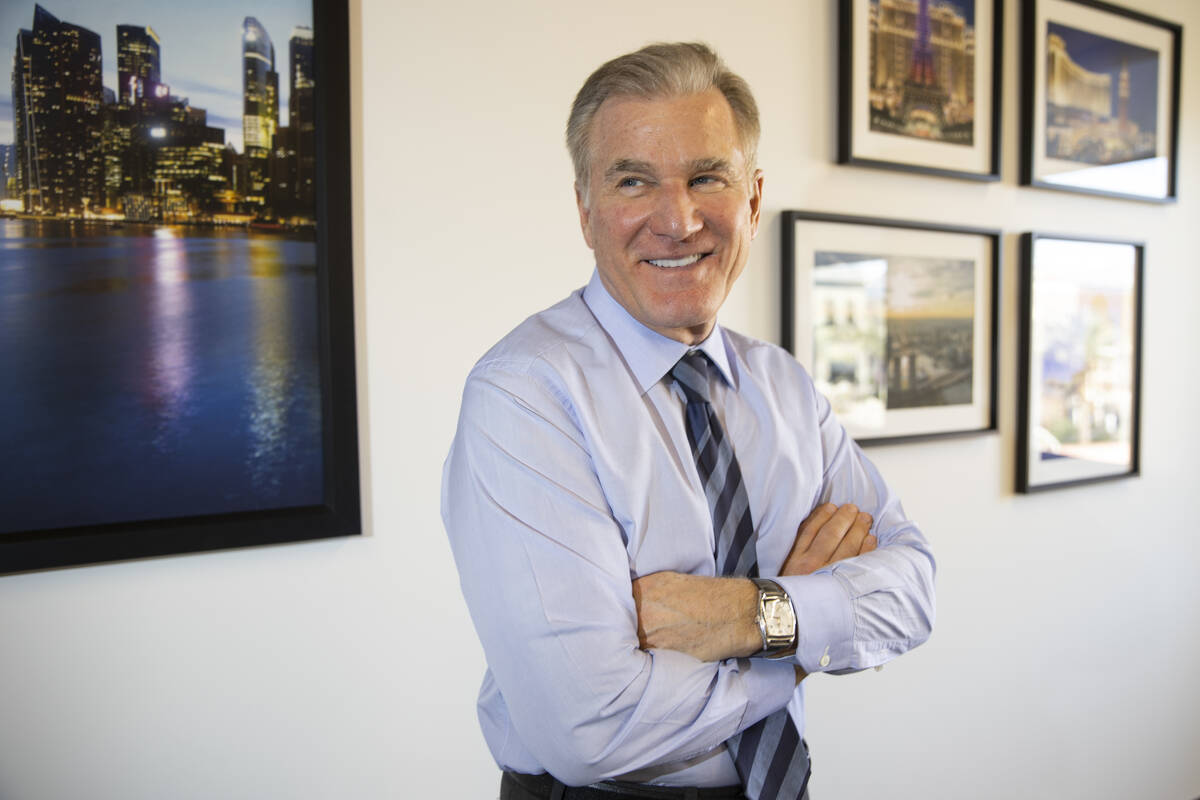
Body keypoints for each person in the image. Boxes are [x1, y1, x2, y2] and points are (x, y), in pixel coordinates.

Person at [442, 42, 935, 800]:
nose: (677, 220)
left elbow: (911, 592)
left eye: (708, 176)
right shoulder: (526, 395)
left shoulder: (783, 388)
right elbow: (593, 731)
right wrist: (802, 635)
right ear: (585, 210)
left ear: (754, 199)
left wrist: (742, 614)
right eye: (634, 180)